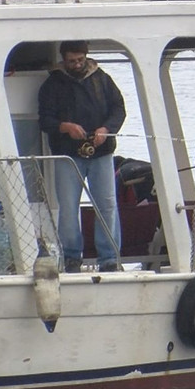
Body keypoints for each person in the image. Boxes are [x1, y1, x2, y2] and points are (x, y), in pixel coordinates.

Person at [38, 40, 126, 273]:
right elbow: (44, 120)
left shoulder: (103, 79)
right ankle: (71, 257)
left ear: (86, 57)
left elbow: (119, 109)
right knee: (68, 207)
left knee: (107, 205)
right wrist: (65, 127)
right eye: (71, 61)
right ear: (64, 60)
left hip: (101, 153)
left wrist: (106, 129)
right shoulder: (52, 84)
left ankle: (109, 258)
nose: (76, 65)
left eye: (80, 60)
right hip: (67, 154)